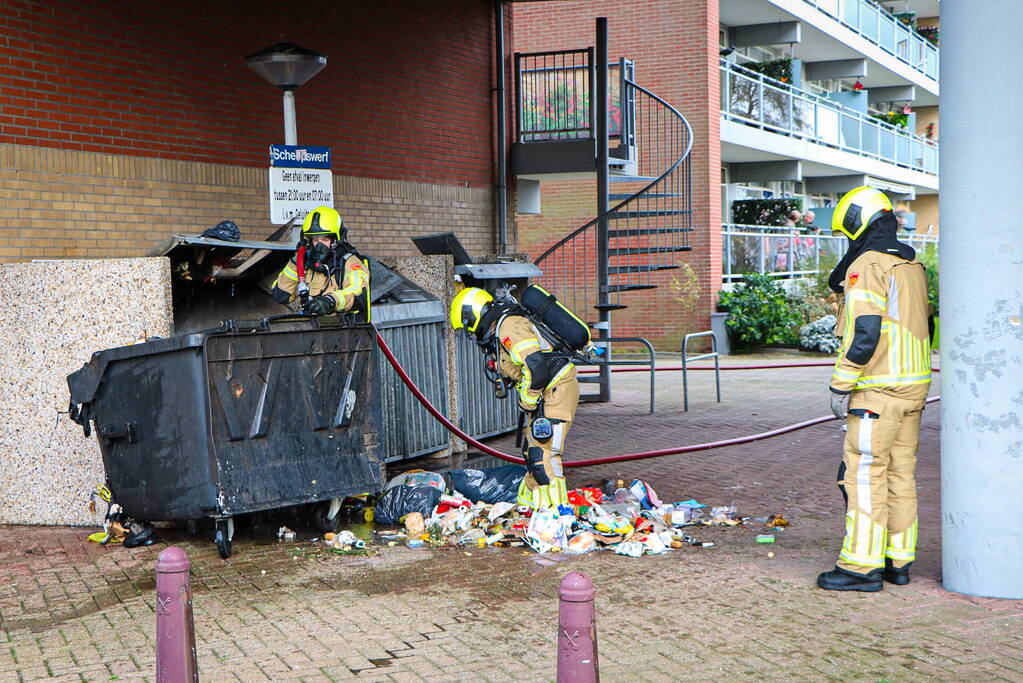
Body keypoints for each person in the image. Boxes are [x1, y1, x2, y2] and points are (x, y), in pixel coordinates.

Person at [816, 186, 933, 592]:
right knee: (901, 474)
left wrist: (840, 382)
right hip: (914, 387)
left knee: (863, 475)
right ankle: (897, 561)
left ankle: (859, 568)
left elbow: (864, 332)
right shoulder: (910, 263)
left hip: (878, 390)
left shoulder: (867, 263)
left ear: (855, 223)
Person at [449, 286, 579, 510]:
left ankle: (557, 515)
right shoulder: (500, 329)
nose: (471, 334)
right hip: (546, 393)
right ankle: (527, 509)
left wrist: (527, 399)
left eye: (467, 328)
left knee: (544, 456)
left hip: (556, 390)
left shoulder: (508, 326)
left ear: (472, 315)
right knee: (532, 454)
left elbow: (536, 364)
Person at [271, 206, 370, 319]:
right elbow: (281, 296)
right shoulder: (306, 263)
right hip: (312, 328)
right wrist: (295, 262)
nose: (319, 245)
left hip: (343, 329)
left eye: (325, 240)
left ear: (336, 240)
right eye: (316, 240)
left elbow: (357, 292)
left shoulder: (350, 262)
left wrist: (330, 301)